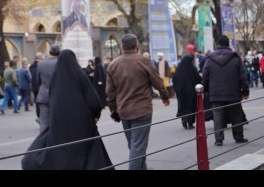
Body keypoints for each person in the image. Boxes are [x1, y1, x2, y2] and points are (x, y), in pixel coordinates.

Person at [22, 49, 112, 170]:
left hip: (59, 120)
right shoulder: (79, 75)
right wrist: (96, 115)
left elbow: (51, 98)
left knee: (63, 149)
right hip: (82, 121)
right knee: (87, 149)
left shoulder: (55, 78)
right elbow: (93, 99)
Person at [106, 34, 170, 170]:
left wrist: (113, 110)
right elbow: (158, 82)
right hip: (142, 110)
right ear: (137, 46)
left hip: (123, 110)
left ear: (122, 47)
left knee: (134, 145)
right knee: (138, 146)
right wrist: (164, 95)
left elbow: (110, 92)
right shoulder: (144, 61)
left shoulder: (113, 65)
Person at [201, 35, 249, 146]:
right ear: (228, 45)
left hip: (216, 93)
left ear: (218, 45)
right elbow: (243, 77)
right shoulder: (235, 58)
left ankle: (219, 139)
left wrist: (206, 90)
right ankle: (238, 137)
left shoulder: (210, 59)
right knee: (236, 115)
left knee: (217, 116)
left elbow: (205, 77)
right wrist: (245, 91)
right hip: (233, 92)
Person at [173, 45, 201, 130]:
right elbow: (198, 78)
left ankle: (184, 120)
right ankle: (190, 122)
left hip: (181, 92)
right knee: (191, 106)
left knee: (183, 106)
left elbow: (174, 79)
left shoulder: (179, 70)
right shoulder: (191, 69)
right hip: (191, 92)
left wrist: (177, 89)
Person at [35, 44, 61, 133]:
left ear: (49, 52)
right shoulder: (61, 63)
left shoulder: (41, 64)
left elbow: (38, 80)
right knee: (58, 122)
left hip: (44, 96)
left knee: (44, 122)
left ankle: (43, 140)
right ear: (59, 52)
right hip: (58, 96)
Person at [29, 52, 43, 118]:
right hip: (41, 86)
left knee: (37, 101)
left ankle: (38, 115)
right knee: (43, 101)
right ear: (40, 57)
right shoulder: (42, 65)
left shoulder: (31, 66)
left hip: (34, 86)